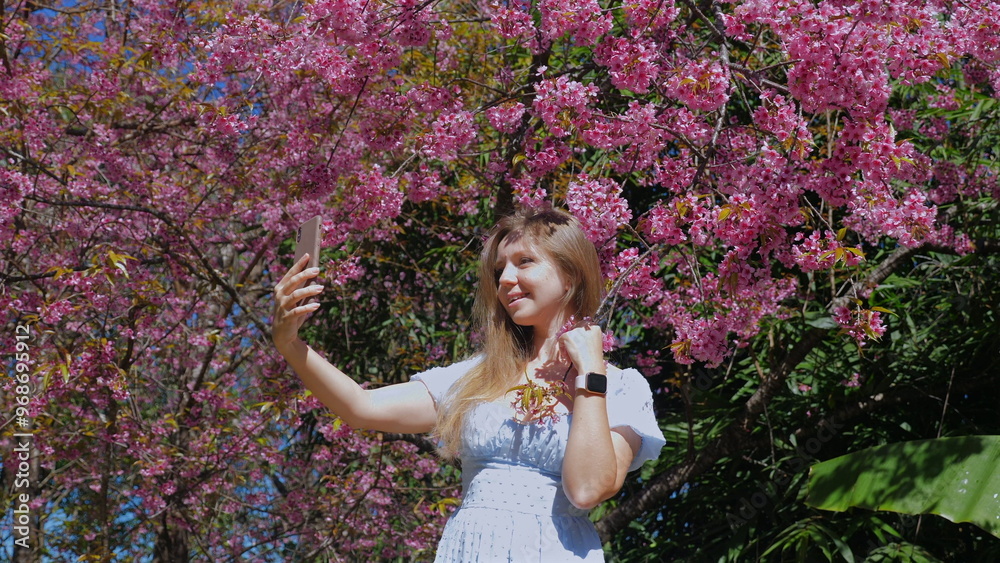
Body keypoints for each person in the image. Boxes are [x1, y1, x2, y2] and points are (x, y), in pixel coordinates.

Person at [272, 207, 665, 561]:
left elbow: (587, 490)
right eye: (499, 271)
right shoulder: (478, 375)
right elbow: (360, 407)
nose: (506, 280)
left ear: (570, 275)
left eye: (524, 262)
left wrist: (590, 376)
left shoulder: (621, 387)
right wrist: (289, 343)